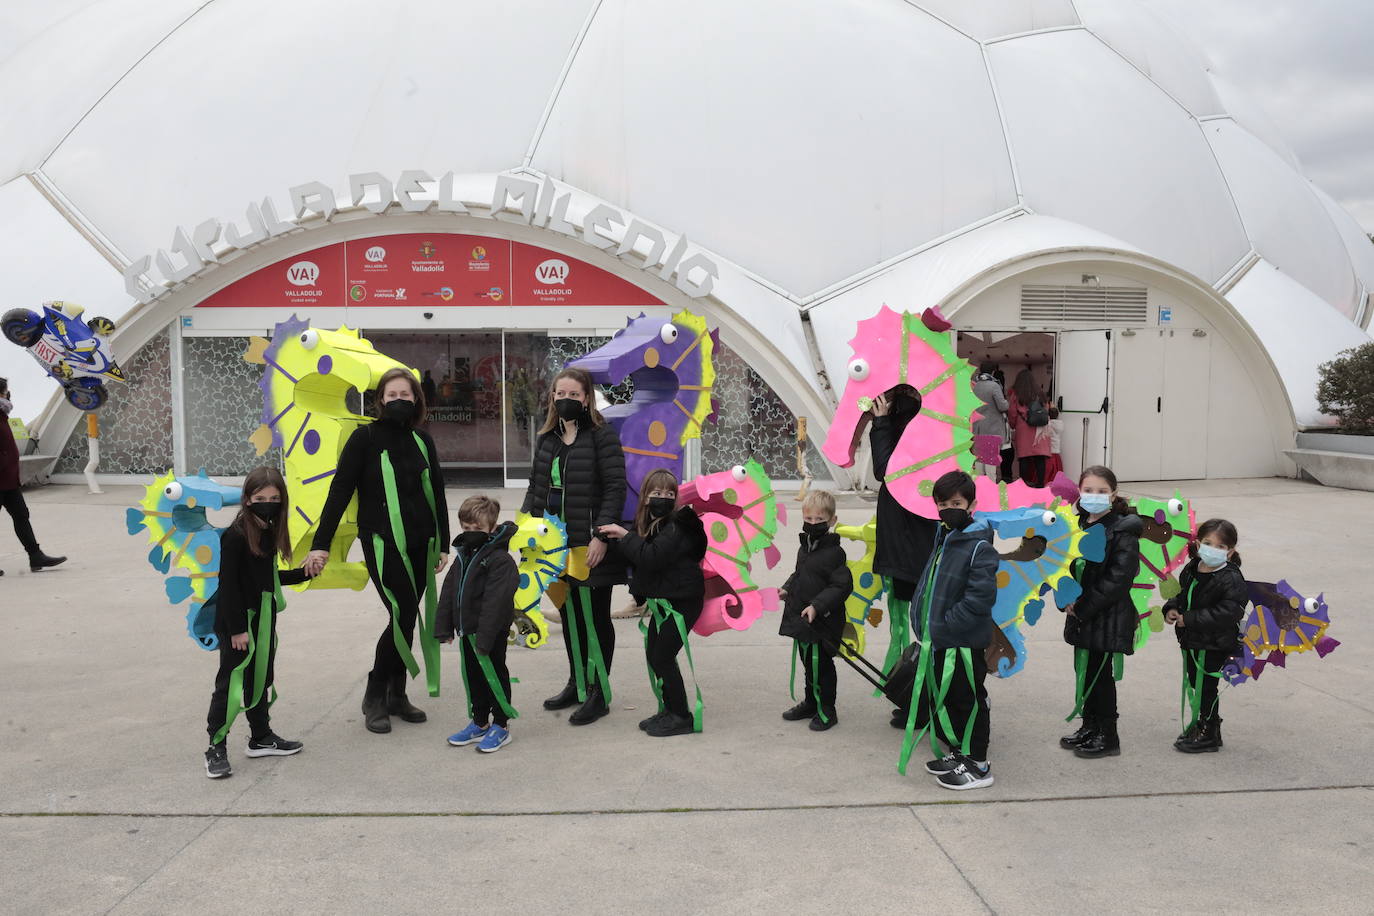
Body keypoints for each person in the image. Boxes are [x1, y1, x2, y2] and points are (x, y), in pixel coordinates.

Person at [305, 367, 450, 735]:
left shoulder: (422, 441)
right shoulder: (364, 439)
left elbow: (437, 491)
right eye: (391, 395)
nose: (399, 400)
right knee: (401, 615)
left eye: (406, 395)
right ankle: (375, 694)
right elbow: (339, 493)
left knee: (403, 617)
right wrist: (321, 544)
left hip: (421, 544)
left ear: (416, 399)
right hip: (383, 544)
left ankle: (397, 695)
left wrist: (443, 542)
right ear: (380, 401)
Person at [522, 368, 627, 726]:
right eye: (559, 392)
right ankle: (576, 681)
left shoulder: (602, 436)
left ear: (587, 398)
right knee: (569, 617)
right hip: (554, 547)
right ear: (552, 397)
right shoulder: (547, 438)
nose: (565, 398)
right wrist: (526, 531)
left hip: (590, 544)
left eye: (573, 393)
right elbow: (535, 489)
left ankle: (599, 692)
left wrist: (601, 535)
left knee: (596, 618)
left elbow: (615, 487)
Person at [204, 467, 314, 778]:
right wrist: (238, 628)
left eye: (275, 498)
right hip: (237, 624)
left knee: (260, 679)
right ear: (247, 500)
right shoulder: (236, 535)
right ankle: (215, 746)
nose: (269, 503)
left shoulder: (267, 530)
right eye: (261, 498)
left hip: (263, 619)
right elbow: (228, 586)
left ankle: (261, 737)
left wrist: (304, 572)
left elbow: (266, 579)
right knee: (231, 685)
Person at [901, 471, 999, 790]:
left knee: (968, 701)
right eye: (942, 503)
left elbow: (979, 598)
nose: (948, 509)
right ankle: (960, 754)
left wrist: (945, 626)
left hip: (962, 642)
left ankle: (979, 766)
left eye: (956, 502)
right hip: (942, 641)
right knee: (950, 701)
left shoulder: (979, 546)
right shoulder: (943, 537)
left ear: (971, 504)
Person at [599, 469, 707, 738]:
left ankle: (681, 715)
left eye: (669, 494)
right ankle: (670, 710)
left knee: (663, 656)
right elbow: (636, 557)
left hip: (683, 602)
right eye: (657, 493)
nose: (663, 498)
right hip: (667, 600)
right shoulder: (650, 523)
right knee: (654, 655)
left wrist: (624, 536)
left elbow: (651, 557)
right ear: (646, 497)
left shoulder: (677, 525)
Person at [1059, 465, 1142, 759]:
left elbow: (1118, 580)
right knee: (1086, 672)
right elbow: (1063, 566)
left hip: (1106, 617)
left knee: (1101, 676)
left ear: (1114, 494)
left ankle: (1108, 735)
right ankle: (1090, 726)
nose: (1094, 496)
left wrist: (1081, 607)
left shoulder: (1122, 531)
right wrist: (1064, 598)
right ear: (1079, 492)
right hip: (1082, 616)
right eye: (1088, 490)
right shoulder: (1075, 524)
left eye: (1102, 491)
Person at [868, 384, 939, 726]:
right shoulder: (928, 412)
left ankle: (925, 704)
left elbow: (886, 469)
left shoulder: (906, 416)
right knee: (919, 626)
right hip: (911, 540)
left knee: (919, 627)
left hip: (908, 542)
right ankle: (917, 698)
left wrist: (881, 423)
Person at [437, 495, 520, 754]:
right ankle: (480, 721)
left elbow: (495, 603)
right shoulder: (463, 556)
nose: (471, 534)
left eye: (478, 529)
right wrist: (444, 627)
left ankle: (502, 725)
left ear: (492, 529)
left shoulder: (500, 561)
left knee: (493, 675)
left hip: (490, 634)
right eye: (466, 528)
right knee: (474, 677)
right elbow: (450, 590)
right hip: (467, 632)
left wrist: (484, 638)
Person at [1163, 518, 1247, 754]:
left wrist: (1188, 619)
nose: (1212, 549)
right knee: (1195, 683)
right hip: (1191, 640)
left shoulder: (1231, 578)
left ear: (1230, 552)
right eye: (1208, 543)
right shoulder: (1192, 568)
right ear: (1198, 544)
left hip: (1215, 644)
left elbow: (1228, 612)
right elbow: (1181, 595)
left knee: (1207, 687)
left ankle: (1209, 731)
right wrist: (1171, 609)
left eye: (1220, 547)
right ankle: (1203, 725)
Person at [777, 490, 851, 731]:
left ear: (832, 521)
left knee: (823, 666)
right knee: (808, 663)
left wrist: (817, 606)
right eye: (808, 519)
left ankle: (828, 710)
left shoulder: (835, 553)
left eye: (819, 520)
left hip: (824, 622)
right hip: (803, 620)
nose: (813, 524)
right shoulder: (805, 549)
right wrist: (787, 588)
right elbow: (799, 574)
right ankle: (811, 702)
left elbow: (841, 586)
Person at [0, 379, 65, 575]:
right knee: (20, 516)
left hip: (9, 480)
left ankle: (35, 556)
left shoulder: (2, 415)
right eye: (6, 391)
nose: (8, 395)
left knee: (21, 516)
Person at [1007, 369, 1052, 487]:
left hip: (1024, 429)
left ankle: (1023, 485)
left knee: (1024, 458)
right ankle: (1040, 484)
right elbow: (1046, 409)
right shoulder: (1040, 393)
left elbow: (1012, 413)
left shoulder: (1016, 395)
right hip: (1039, 429)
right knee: (1040, 458)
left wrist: (1012, 425)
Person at [971, 363, 1008, 482]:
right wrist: (1008, 403)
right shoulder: (994, 386)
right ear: (992, 372)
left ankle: (980, 490)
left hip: (977, 428)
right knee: (991, 463)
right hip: (992, 428)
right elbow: (1002, 406)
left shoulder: (974, 385)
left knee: (979, 462)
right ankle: (991, 491)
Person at [1045, 406, 1065, 483]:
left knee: (1048, 472)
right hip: (1056, 450)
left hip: (1049, 451)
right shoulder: (1060, 425)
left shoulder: (1048, 425)